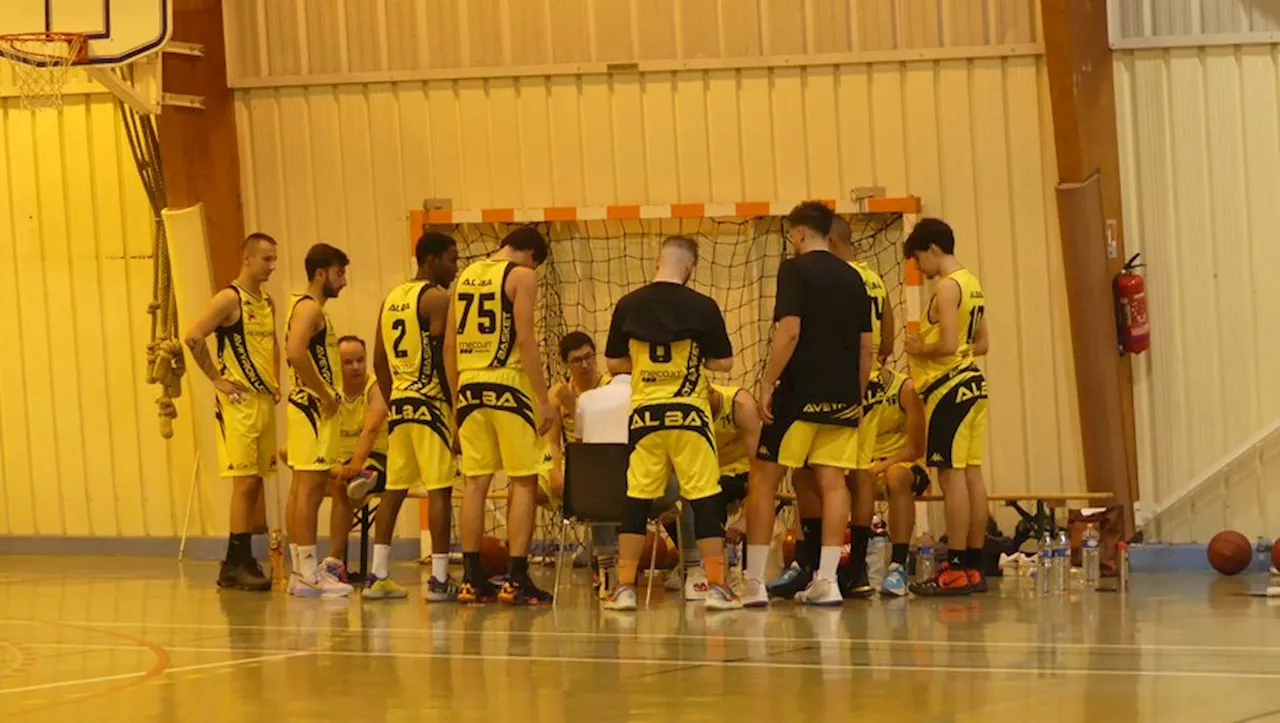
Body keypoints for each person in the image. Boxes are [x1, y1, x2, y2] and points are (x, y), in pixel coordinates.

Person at [742, 201, 873, 607]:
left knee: (763, 479)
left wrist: (766, 382)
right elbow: (866, 346)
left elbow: (790, 331)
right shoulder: (854, 278)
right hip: (843, 395)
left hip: (800, 394)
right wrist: (859, 394)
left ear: (798, 233)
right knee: (833, 482)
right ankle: (828, 580)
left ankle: (752, 583)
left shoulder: (793, 270)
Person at [600, 235, 741, 612]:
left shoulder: (628, 305)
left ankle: (625, 587)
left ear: (656, 261)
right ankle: (716, 586)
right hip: (690, 415)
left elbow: (614, 364)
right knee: (705, 497)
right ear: (691, 267)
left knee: (636, 498)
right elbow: (724, 363)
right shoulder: (703, 306)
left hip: (645, 417)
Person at [445, 227, 555, 605]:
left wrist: (456, 397)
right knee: (523, 480)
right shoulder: (522, 275)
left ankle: (471, 577)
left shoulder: (464, 276)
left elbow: (449, 345)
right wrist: (542, 398)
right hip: (507, 382)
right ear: (530, 254)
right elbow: (525, 339)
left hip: (470, 385)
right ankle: (516, 577)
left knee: (475, 482)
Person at [183, 232, 280, 591]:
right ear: (248, 259)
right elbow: (193, 336)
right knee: (244, 483)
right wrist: (216, 379)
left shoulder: (267, 301)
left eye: (274, 259)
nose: (272, 266)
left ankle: (236, 561)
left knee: (256, 482)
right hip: (238, 403)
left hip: (263, 400)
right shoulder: (229, 299)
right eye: (267, 259)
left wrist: (276, 380)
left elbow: (271, 343)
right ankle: (237, 560)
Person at [370, 231, 460, 600]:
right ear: (432, 259)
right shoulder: (437, 298)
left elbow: (379, 360)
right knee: (439, 489)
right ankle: (439, 579)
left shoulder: (391, 298)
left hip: (402, 404)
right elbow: (441, 358)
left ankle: (378, 575)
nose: (455, 268)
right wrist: (453, 407)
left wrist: (395, 401)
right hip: (431, 403)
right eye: (452, 259)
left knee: (394, 489)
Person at [903, 217, 990, 596]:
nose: (919, 268)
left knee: (951, 477)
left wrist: (918, 346)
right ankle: (973, 563)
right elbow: (981, 343)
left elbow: (949, 344)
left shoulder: (946, 288)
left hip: (949, 390)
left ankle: (954, 565)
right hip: (972, 386)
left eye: (919, 258)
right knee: (972, 475)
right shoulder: (973, 284)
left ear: (933, 249)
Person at [574, 372, 701, 601]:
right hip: (646, 495)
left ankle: (607, 571)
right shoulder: (655, 398)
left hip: (598, 501)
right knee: (690, 484)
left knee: (600, 487)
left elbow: (582, 446)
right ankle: (692, 569)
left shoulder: (585, 399)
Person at [284, 243, 353, 597]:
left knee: (300, 489)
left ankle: (300, 568)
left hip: (302, 407)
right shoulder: (311, 309)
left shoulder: (299, 305)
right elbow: (295, 352)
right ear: (321, 273)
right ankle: (310, 572)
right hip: (313, 408)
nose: (343, 281)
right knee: (309, 491)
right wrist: (325, 394)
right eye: (339, 273)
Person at [322, 335, 390, 584]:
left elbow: (370, 430)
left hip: (375, 458)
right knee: (288, 455)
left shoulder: (377, 387)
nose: (356, 367)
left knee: (343, 484)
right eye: (348, 362)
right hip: (340, 463)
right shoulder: (329, 389)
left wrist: (354, 466)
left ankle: (333, 562)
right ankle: (301, 560)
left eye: (360, 360)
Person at [866, 366, 928, 596]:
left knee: (896, 476)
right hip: (867, 463)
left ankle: (898, 565)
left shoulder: (905, 388)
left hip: (904, 464)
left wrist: (881, 466)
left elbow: (916, 448)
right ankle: (845, 566)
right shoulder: (852, 387)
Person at [545, 331, 612, 501]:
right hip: (573, 464)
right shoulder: (558, 393)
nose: (585, 365)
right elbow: (551, 442)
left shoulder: (610, 388)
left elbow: (602, 439)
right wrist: (555, 474)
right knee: (526, 490)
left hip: (606, 462)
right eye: (577, 360)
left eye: (588, 357)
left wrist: (574, 408)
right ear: (566, 364)